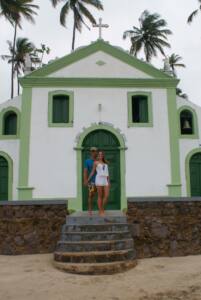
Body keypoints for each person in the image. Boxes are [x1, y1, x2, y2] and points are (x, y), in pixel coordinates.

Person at [88, 151, 110, 216]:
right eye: (99, 154)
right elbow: (92, 172)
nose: (100, 155)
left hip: (105, 180)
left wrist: (109, 181)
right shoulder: (95, 163)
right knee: (100, 196)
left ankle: (102, 209)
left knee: (106, 196)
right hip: (99, 179)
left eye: (102, 154)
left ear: (103, 155)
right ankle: (100, 211)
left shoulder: (106, 163)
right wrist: (88, 179)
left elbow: (107, 173)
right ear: (98, 156)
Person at [83, 147, 98, 215]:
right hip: (92, 181)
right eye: (92, 151)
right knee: (90, 195)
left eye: (95, 151)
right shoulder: (87, 161)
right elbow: (85, 171)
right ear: (90, 152)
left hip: (100, 181)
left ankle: (100, 209)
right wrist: (85, 180)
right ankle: (90, 209)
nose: (93, 152)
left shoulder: (99, 160)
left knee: (101, 195)